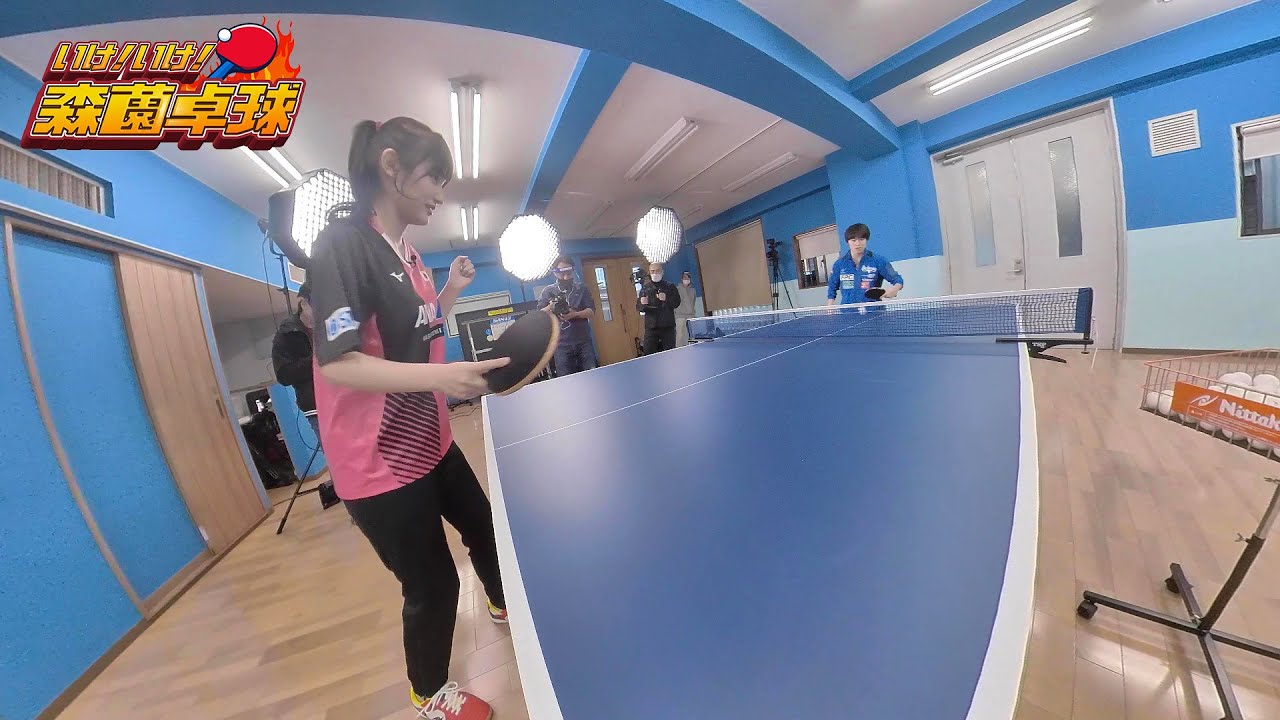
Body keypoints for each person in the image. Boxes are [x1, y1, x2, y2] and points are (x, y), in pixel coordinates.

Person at [306, 116, 511, 720]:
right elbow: (340, 362)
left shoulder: (411, 254)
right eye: (434, 179)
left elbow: (417, 331)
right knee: (434, 585)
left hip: (432, 439)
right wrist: (444, 379)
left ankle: (503, 601)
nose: (440, 195)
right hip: (378, 464)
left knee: (485, 527)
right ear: (391, 167)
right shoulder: (341, 244)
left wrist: (450, 293)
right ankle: (429, 693)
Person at [270, 281, 342, 510]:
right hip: (317, 406)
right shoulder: (286, 335)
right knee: (338, 458)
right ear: (303, 303)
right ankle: (357, 505)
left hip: (346, 398)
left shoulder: (332, 324)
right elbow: (284, 375)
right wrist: (318, 360)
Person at [538, 256, 597, 376]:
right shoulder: (548, 291)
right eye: (562, 273)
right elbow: (540, 315)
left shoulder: (582, 289)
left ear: (573, 270)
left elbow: (591, 312)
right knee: (566, 380)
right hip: (560, 346)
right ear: (555, 273)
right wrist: (551, 306)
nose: (565, 277)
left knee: (592, 376)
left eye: (568, 273)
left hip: (583, 342)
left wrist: (575, 314)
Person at [826, 223, 904, 306]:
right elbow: (832, 286)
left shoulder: (878, 260)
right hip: (848, 311)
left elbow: (898, 280)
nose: (857, 244)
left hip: (873, 311)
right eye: (853, 240)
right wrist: (830, 305)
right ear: (848, 242)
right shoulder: (839, 264)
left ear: (866, 240)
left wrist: (894, 289)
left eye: (861, 239)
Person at [637, 261, 682, 354]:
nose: (655, 273)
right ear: (649, 273)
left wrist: (666, 299)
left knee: (670, 353)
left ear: (662, 272)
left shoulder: (670, 286)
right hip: (651, 327)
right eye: (652, 271)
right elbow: (639, 308)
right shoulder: (645, 288)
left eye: (657, 271)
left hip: (667, 326)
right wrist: (642, 304)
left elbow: (676, 303)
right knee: (648, 353)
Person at [673, 270, 697, 347]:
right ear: (681, 279)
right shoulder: (677, 289)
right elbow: (675, 303)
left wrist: (692, 312)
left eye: (688, 278)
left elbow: (693, 302)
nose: (686, 279)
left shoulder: (693, 290)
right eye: (684, 277)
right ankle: (679, 350)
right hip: (680, 316)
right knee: (680, 336)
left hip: (691, 316)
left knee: (691, 336)